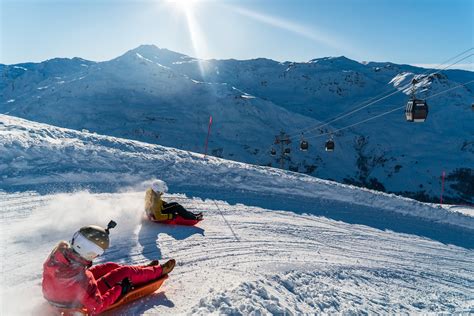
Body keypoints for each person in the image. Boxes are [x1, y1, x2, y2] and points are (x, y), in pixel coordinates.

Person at [42, 221, 175, 315]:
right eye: (96, 253)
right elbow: (96, 307)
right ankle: (159, 271)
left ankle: (144, 270)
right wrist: (119, 288)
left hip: (60, 295)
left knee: (109, 267)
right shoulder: (83, 280)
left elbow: (81, 256)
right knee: (125, 272)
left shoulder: (58, 254)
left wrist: (101, 234)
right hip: (75, 303)